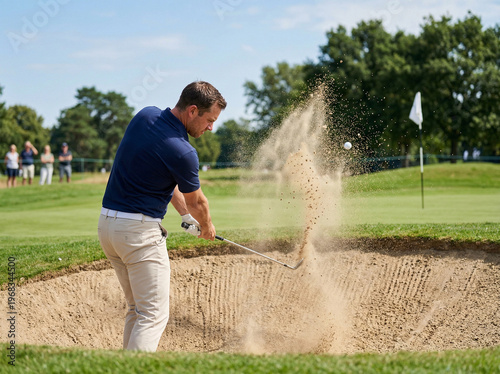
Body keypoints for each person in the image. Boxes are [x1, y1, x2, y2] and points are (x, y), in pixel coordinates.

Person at [97, 81, 227, 352]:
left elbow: (165, 182)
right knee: (153, 315)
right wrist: (206, 226)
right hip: (138, 235)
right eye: (209, 120)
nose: (211, 127)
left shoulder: (145, 115)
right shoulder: (184, 151)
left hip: (108, 227)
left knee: (137, 309)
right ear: (193, 111)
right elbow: (198, 202)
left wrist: (183, 215)